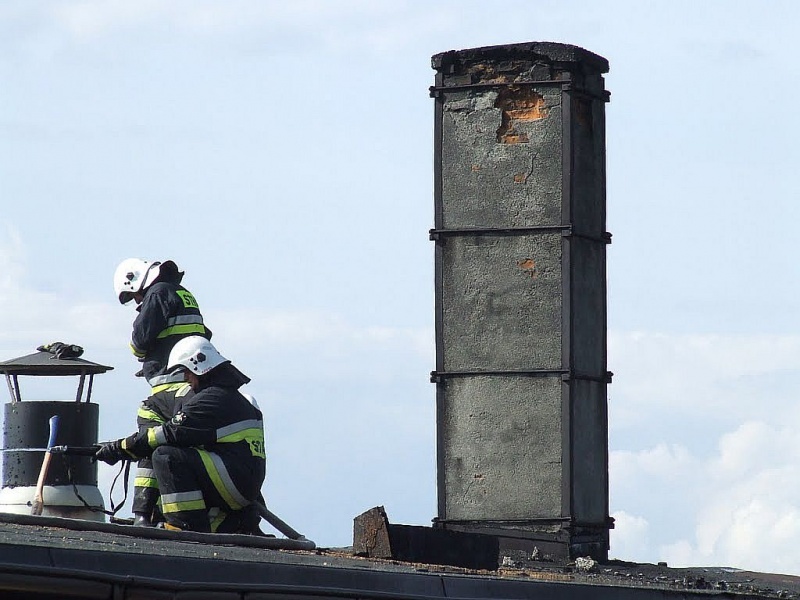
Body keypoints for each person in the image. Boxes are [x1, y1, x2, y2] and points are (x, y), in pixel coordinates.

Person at [95, 336, 266, 534]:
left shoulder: (213, 399)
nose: (185, 379)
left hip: (235, 485)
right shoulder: (227, 397)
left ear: (199, 366)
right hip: (240, 486)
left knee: (166, 455)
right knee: (174, 452)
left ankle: (184, 525)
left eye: (186, 372)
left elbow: (169, 432)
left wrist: (120, 448)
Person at [113, 258, 213, 526]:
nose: (136, 300)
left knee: (148, 440)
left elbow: (139, 341)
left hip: (169, 386)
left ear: (136, 281)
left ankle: (143, 515)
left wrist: (146, 356)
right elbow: (201, 335)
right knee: (175, 449)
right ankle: (165, 516)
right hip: (191, 381)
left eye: (134, 295)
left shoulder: (157, 294)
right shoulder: (184, 294)